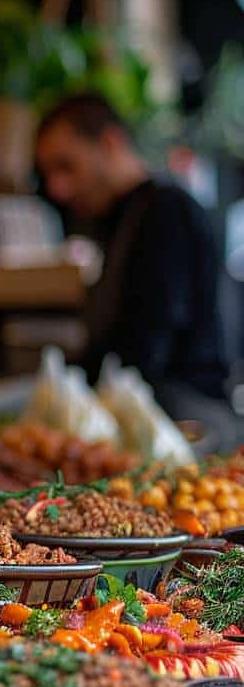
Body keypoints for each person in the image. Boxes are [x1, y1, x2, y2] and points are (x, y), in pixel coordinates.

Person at [35, 92, 235, 444]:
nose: (58, 189)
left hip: (188, 418)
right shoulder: (116, 219)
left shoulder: (166, 211)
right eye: (49, 174)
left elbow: (148, 342)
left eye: (67, 166)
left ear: (111, 143)